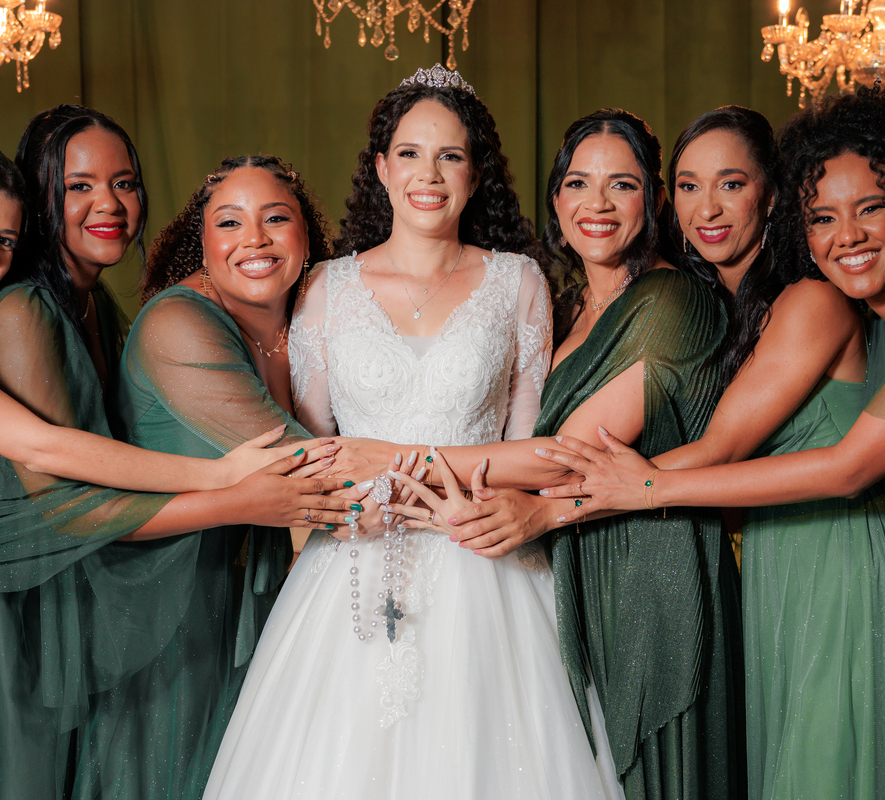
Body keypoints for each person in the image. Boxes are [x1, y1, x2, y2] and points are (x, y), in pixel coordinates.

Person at [540, 88, 885, 799]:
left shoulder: (821, 300)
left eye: (731, 184)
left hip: (851, 569)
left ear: (772, 197)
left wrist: (568, 505)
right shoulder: (721, 315)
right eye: (689, 186)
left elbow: (767, 456)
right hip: (778, 574)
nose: (708, 208)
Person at [0, 109, 350, 800]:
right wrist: (234, 497)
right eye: (79, 186)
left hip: (55, 590)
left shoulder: (93, 304)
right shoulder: (21, 309)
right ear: (39, 196)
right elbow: (70, 509)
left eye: (125, 183)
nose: (108, 203)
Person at [203, 67, 622, 800]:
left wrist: (403, 461)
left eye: (450, 155)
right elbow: (311, 453)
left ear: (475, 174)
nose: (428, 174)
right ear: (381, 168)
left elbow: (534, 456)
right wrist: (347, 509)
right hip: (353, 569)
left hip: (484, 562)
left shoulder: (518, 282)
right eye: (409, 153)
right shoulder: (324, 287)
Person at [397, 107, 744, 799]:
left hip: (653, 569)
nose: (598, 204)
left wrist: (394, 458)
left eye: (622, 185)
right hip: (572, 561)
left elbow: (566, 457)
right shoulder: (565, 306)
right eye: (579, 184)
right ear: (556, 200)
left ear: (653, 200)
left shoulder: (672, 298)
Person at [71, 156, 350, 800]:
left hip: (254, 581)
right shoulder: (179, 323)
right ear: (202, 242)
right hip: (169, 598)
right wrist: (464, 471)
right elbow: (299, 460)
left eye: (275, 219)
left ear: (307, 234)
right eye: (229, 223)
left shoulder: (312, 318)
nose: (254, 239)